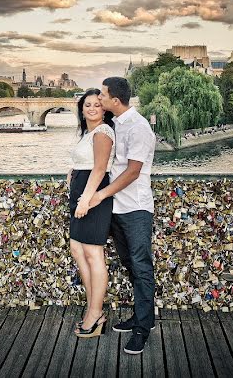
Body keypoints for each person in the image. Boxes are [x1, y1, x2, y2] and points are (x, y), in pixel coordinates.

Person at [87, 77, 156, 355]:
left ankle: (143, 328)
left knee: (141, 267)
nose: (99, 99)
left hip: (136, 209)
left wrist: (101, 195)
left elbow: (132, 172)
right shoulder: (116, 125)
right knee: (129, 263)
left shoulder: (139, 127)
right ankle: (142, 317)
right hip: (118, 208)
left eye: (102, 95)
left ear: (115, 100)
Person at [67, 88, 115, 338]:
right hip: (81, 192)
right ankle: (92, 307)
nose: (92, 108)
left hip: (92, 194)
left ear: (105, 109)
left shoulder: (103, 132)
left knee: (93, 253)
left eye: (97, 104)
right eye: (88, 105)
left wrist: (86, 200)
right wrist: (72, 172)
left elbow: (99, 170)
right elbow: (84, 163)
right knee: (78, 249)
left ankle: (95, 314)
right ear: (81, 108)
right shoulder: (88, 133)